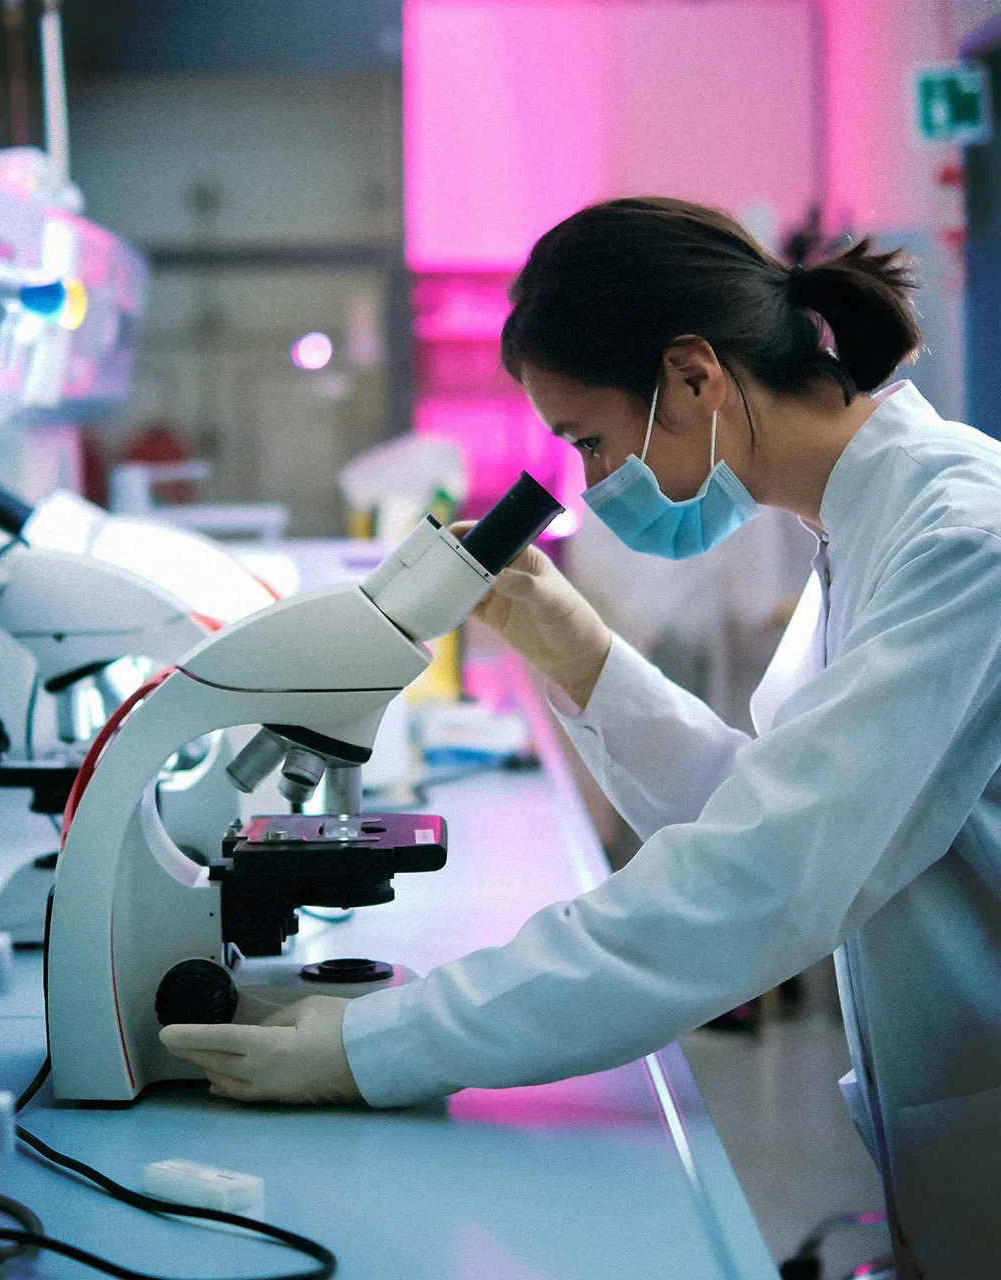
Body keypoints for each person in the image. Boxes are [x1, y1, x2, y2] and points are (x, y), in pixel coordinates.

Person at [162, 198, 1001, 1280]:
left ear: (694, 375)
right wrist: (581, 654)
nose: (597, 485)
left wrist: (380, 1045)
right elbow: (772, 812)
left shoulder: (959, 541)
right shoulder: (861, 526)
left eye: (592, 441)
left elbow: (765, 875)